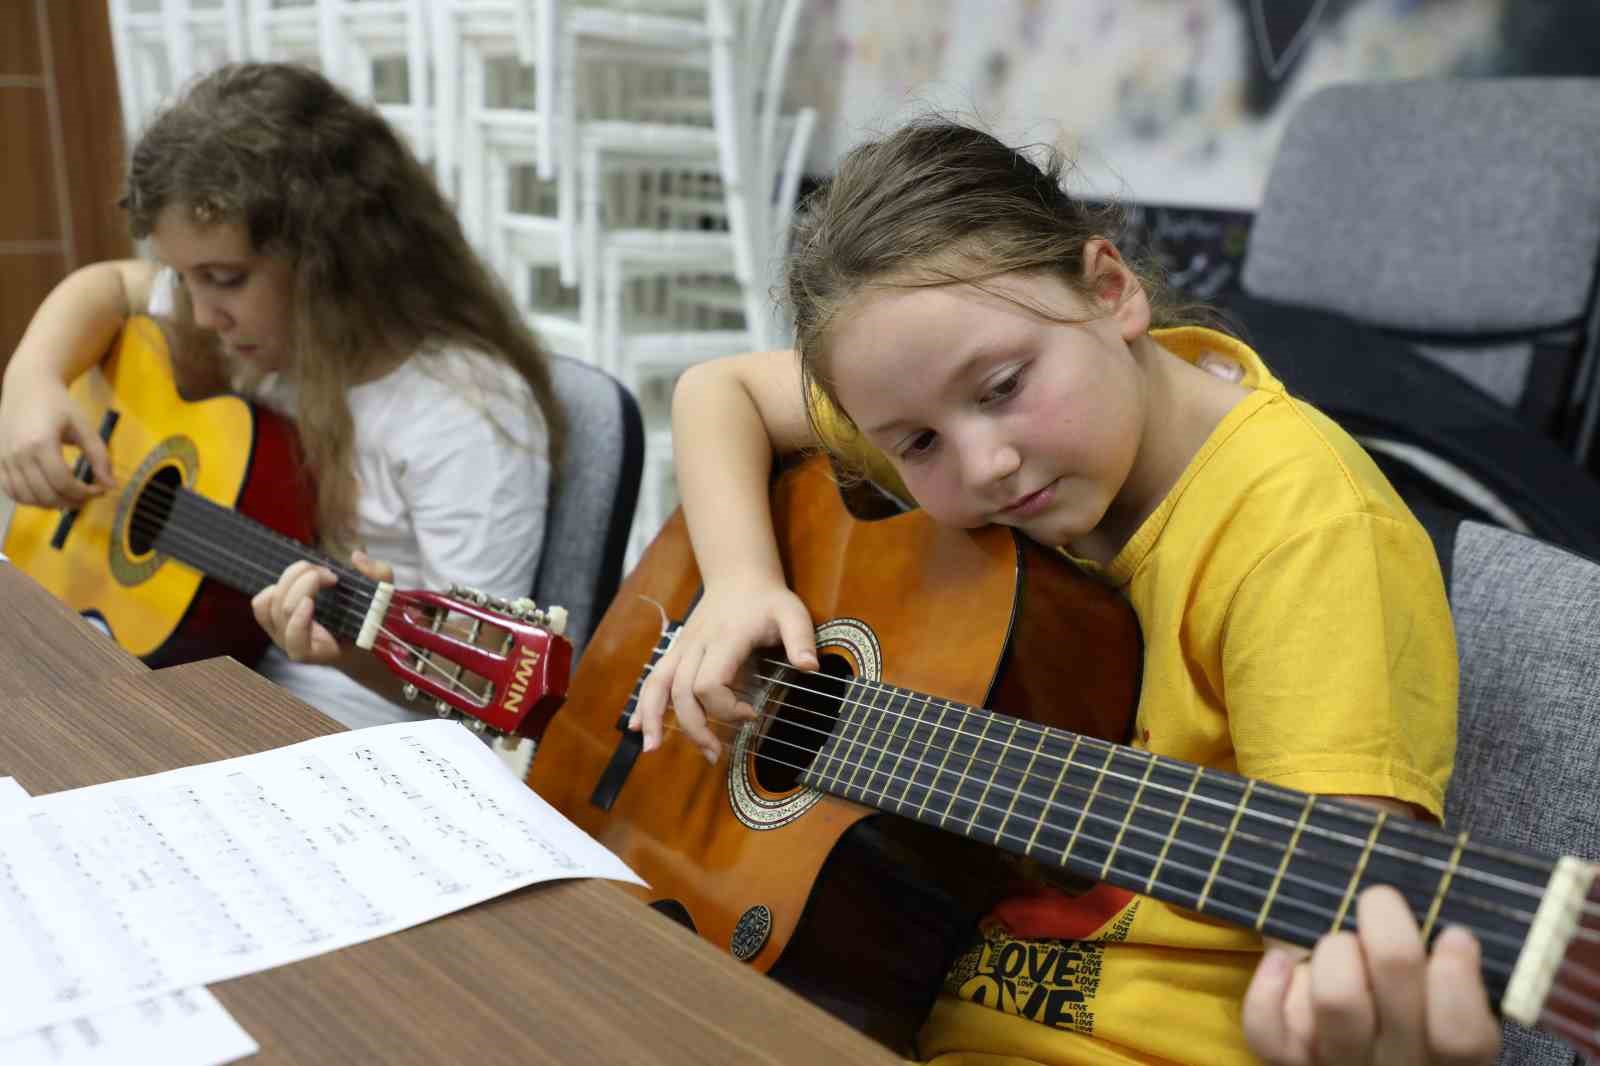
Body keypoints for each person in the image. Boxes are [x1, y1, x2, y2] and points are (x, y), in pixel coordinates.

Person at [629, 120, 1501, 1066]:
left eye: (1004, 387)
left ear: (1112, 290)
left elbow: (1348, 909)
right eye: (914, 444)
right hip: (915, 995)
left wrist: (1342, 1020)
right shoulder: (936, 381)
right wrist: (741, 584)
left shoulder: (1306, 533)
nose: (987, 464)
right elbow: (719, 390)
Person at [0, 62, 562, 731]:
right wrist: (29, 382)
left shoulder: (466, 418)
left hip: (343, 729)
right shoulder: (259, 338)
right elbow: (112, 287)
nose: (202, 315)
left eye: (225, 279)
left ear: (332, 261)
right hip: (196, 675)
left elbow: (472, 684)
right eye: (185, 281)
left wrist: (349, 654)